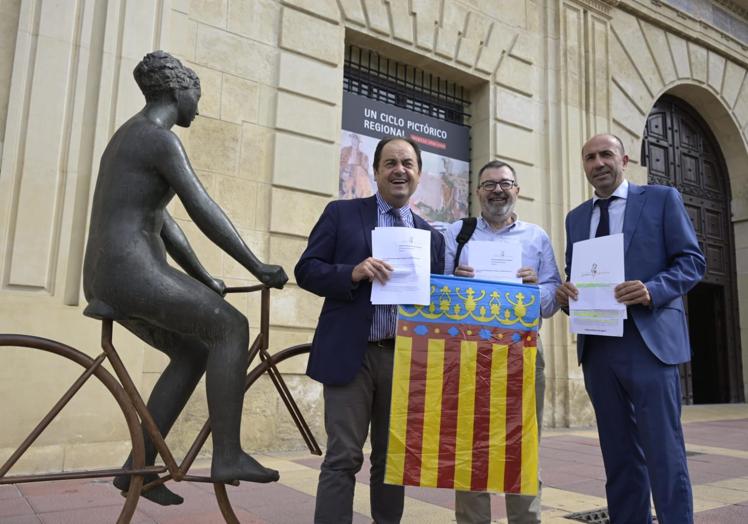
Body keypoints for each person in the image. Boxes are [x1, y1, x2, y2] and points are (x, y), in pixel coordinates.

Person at [82, 51, 288, 505]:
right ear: (179, 91)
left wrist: (204, 277)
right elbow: (202, 207)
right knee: (231, 327)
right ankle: (229, 453)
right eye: (197, 94)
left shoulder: (127, 137)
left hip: (106, 274)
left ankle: (138, 468)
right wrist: (257, 266)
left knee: (192, 352)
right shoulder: (158, 138)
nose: (199, 104)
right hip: (130, 269)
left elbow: (166, 222)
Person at [555, 134, 705, 523]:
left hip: (649, 344)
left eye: (606, 154)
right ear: (584, 166)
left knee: (664, 451)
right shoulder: (575, 218)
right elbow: (579, 277)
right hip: (599, 349)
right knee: (619, 454)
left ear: (624, 159)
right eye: (590, 157)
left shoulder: (661, 199)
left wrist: (651, 289)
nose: (598, 163)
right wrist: (568, 296)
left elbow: (691, 262)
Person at [295, 137, 445, 524]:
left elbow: (439, 303)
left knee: (393, 460)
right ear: (376, 171)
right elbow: (306, 269)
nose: (399, 170)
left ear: (418, 174)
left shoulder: (433, 237)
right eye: (391, 163)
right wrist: (353, 272)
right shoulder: (342, 215)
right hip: (352, 355)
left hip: (404, 359)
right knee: (343, 456)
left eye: (407, 164)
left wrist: (459, 284)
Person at [444, 160, 561, 524]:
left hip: (522, 352)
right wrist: (454, 281)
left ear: (517, 190)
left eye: (505, 183)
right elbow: (436, 292)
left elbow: (554, 295)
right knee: (470, 447)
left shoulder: (536, 236)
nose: (498, 190)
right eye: (489, 184)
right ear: (477, 192)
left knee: (523, 446)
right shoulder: (456, 234)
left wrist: (533, 291)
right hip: (468, 352)